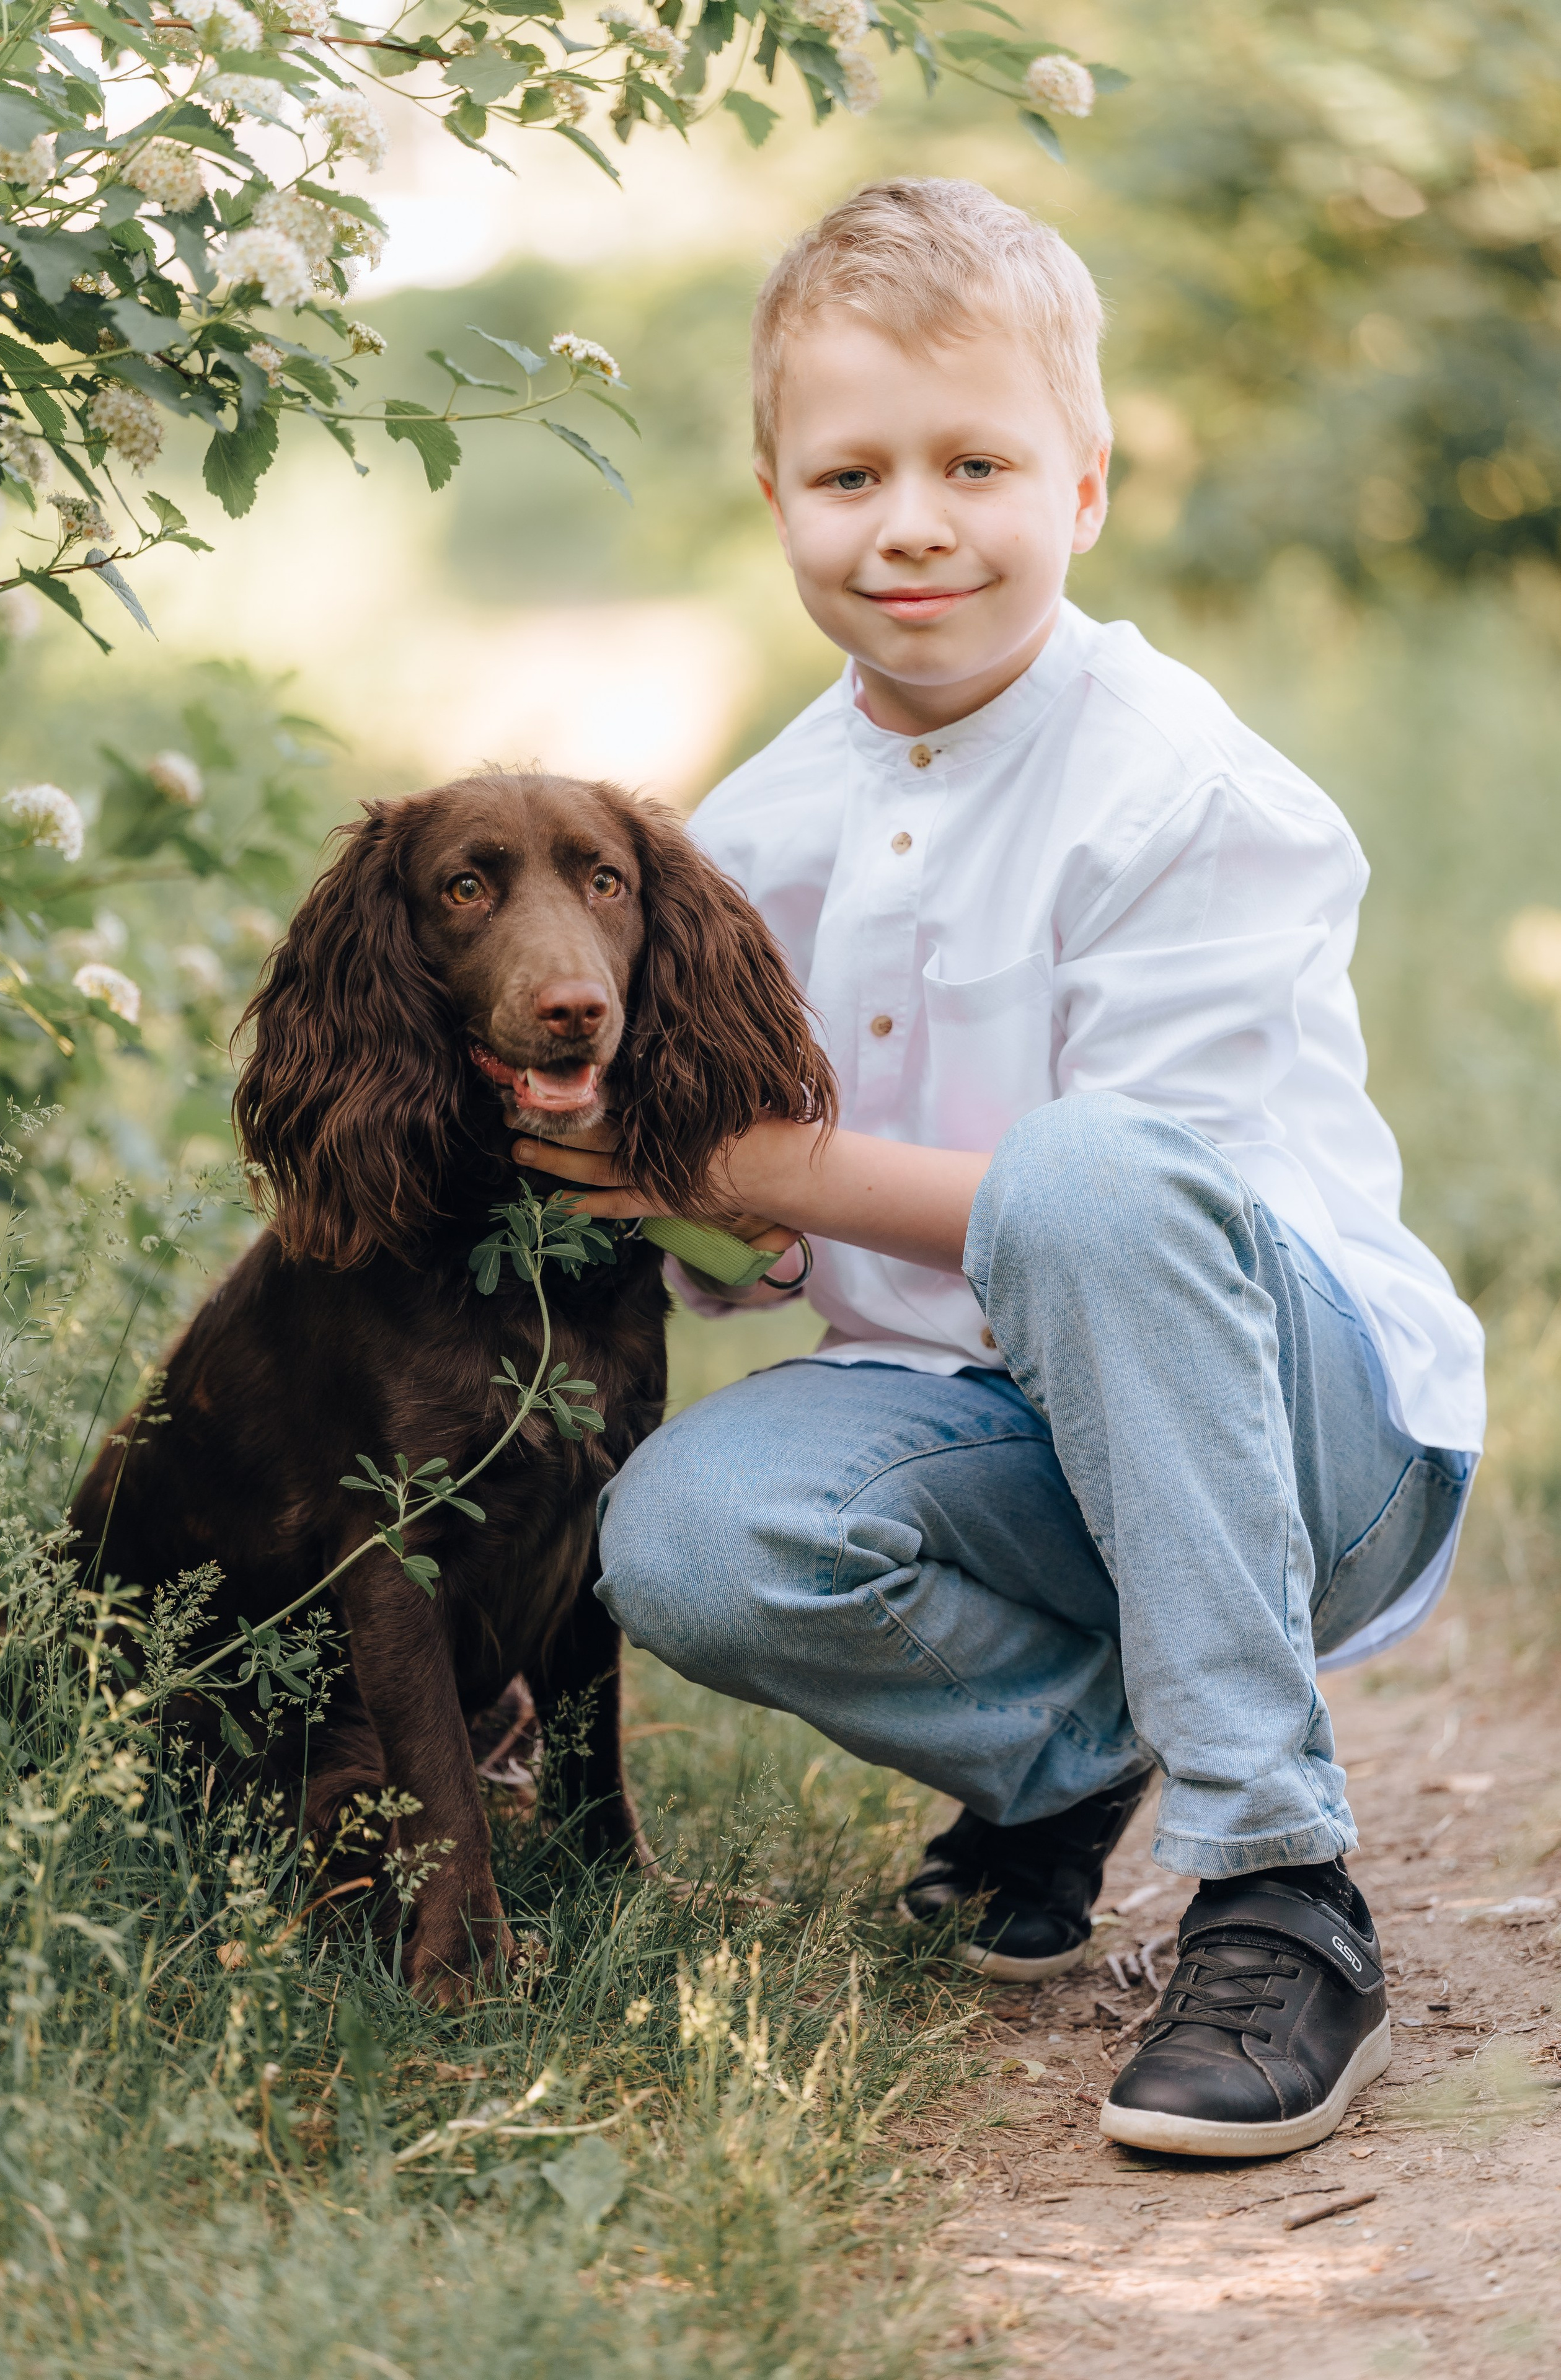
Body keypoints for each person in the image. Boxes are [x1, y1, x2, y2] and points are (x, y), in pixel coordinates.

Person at [511, 178, 1485, 2159]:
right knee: (687, 1540)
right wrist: (652, 1174)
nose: (914, 523)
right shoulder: (745, 839)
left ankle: (1280, 1887)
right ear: (775, 496)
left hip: (1309, 1449)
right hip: (994, 1455)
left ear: (1090, 485)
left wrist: (762, 1156)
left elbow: (1137, 1215)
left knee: (1084, 1174)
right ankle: (1061, 1770)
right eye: (850, 473)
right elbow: (753, 1255)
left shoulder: (1183, 787)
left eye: (977, 463)